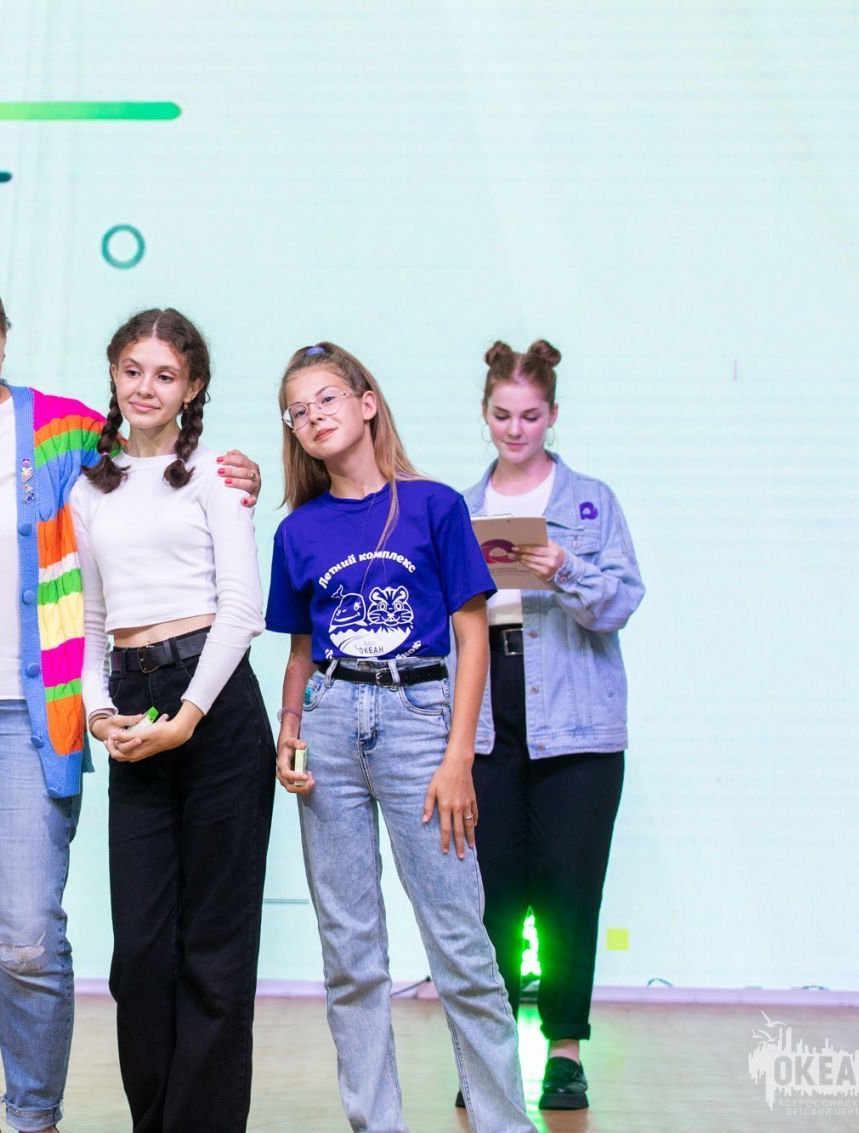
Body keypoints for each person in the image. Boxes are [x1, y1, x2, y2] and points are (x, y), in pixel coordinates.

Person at [0, 271, 260, 1133]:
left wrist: (238, 469)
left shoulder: (63, 431)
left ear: (6, 339)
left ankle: (35, 1115)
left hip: (15, 716)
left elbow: (150, 459)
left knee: (27, 936)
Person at [266, 343, 532, 1133]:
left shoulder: (435, 506)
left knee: (461, 942)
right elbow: (300, 652)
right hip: (328, 722)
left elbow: (472, 636)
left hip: (419, 719)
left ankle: (503, 1121)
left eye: (327, 398)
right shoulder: (298, 529)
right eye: (297, 410)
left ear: (367, 401)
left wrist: (459, 757)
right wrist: (289, 732)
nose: (314, 416)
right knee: (350, 952)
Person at [70, 309, 275, 1132]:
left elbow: (242, 609)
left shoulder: (219, 476)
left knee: (215, 950)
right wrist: (98, 713)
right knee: (142, 955)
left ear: (192, 387)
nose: (145, 387)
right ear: (113, 376)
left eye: (164, 374)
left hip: (214, 707)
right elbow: (91, 621)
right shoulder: (90, 487)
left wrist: (189, 715)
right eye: (132, 370)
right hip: (131, 701)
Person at [463, 339, 644, 1112]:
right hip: (487, 717)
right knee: (492, 894)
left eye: (530, 415)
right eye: (503, 415)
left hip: (577, 723)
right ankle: (491, 1055)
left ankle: (564, 1052)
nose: (516, 429)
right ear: (485, 414)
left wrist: (563, 566)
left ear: (553, 414)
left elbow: (621, 602)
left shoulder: (591, 501)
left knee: (570, 891)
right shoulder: (461, 507)